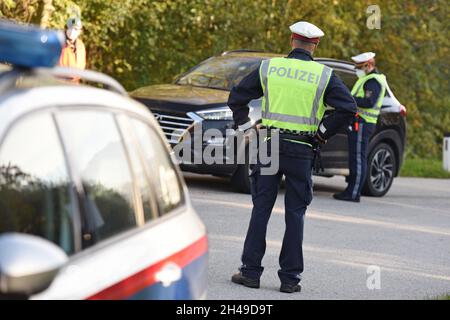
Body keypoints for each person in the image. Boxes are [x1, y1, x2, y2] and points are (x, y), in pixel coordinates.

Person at [228, 21, 357, 293]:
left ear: (291, 41)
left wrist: (245, 129)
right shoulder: (324, 75)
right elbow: (348, 108)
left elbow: (237, 96)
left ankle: (250, 273)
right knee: (295, 213)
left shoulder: (269, 67)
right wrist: (322, 133)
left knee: (261, 209)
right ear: (315, 45)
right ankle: (289, 279)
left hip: (269, 145)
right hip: (302, 149)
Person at [333, 52, 387, 202]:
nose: (357, 70)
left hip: (363, 123)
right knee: (355, 158)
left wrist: (349, 99)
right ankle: (351, 190)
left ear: (369, 65)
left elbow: (369, 102)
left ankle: (353, 193)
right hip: (359, 122)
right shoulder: (366, 79)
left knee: (358, 159)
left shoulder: (373, 81)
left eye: (360, 67)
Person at [58, 17, 86, 82]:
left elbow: (82, 66)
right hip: (58, 84)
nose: (72, 31)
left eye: (75, 29)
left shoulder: (81, 46)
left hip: (73, 86)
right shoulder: (58, 42)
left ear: (80, 31)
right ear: (66, 28)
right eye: (70, 27)